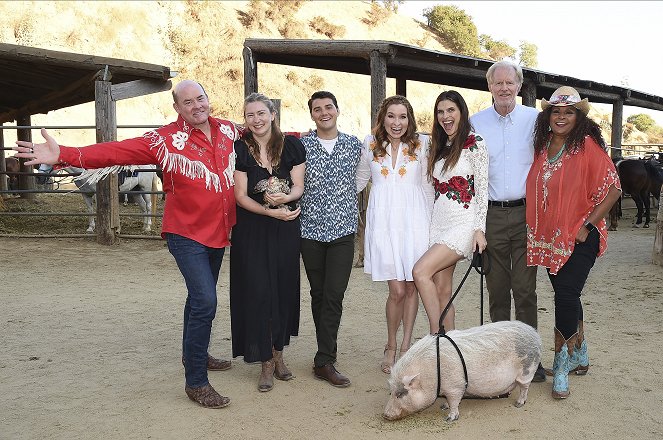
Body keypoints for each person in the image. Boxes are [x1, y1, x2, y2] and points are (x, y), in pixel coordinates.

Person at [14, 80, 239, 409]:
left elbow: (266, 136)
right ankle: (196, 381)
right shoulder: (163, 140)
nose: (196, 106)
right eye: (187, 102)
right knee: (206, 300)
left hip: (219, 229)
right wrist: (64, 153)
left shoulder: (229, 132)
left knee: (198, 298)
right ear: (177, 108)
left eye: (200, 98)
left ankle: (196, 353)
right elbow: (115, 151)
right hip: (186, 233)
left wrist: (309, 137)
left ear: (208, 98)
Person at [526, 86, 621, 399]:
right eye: (556, 111)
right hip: (553, 238)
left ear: (578, 117)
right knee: (566, 293)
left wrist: (589, 224)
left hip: (582, 235)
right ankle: (580, 353)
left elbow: (613, 188)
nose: (562, 116)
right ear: (548, 115)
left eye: (569, 112)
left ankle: (562, 364)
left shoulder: (587, 146)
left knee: (565, 294)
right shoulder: (542, 146)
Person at [470, 59, 546, 381]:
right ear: (489, 87)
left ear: (519, 85)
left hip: (526, 213)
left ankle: (530, 359)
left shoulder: (534, 119)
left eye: (509, 83)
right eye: (497, 83)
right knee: (497, 290)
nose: (503, 88)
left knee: (525, 290)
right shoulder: (475, 122)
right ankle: (501, 360)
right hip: (491, 215)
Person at [231, 92, 305, 392]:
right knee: (259, 292)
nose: (257, 119)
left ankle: (279, 355)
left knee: (283, 290)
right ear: (246, 119)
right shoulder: (240, 149)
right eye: (250, 115)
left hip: (285, 227)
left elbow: (299, 185)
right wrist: (267, 211)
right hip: (252, 230)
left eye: (261, 113)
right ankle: (264, 361)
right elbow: (240, 195)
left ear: (272, 114)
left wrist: (286, 198)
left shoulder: (292, 146)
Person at [356, 95, 434, 374]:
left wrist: (433, 227)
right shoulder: (370, 143)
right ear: (383, 118)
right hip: (384, 224)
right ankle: (390, 345)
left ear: (410, 119)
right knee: (397, 290)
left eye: (402, 117)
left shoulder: (422, 144)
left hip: (415, 223)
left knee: (412, 286)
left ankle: (405, 346)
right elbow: (359, 180)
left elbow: (427, 186)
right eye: (391, 116)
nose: (396, 122)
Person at [299, 91, 362, 388]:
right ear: (311, 114)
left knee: (334, 295)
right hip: (310, 231)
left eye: (328, 107)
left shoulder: (354, 145)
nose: (324, 112)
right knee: (319, 294)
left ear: (338, 110)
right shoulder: (301, 146)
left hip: (342, 233)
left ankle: (326, 359)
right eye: (317, 109)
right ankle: (322, 357)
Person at [412, 90, 488, 334]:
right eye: (440, 112)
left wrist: (479, 229)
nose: (445, 116)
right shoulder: (437, 146)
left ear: (461, 112)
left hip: (464, 224)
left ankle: (437, 335)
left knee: (420, 271)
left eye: (450, 110)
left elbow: (483, 189)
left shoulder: (475, 143)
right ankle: (450, 352)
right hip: (439, 224)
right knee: (442, 290)